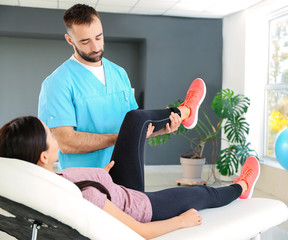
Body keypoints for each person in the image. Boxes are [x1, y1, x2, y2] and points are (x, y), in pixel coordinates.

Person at [1, 82, 260, 239]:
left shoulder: (47, 181)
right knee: (204, 194)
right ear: (44, 155)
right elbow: (139, 232)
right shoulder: (84, 196)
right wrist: (181, 221)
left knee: (135, 119)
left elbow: (84, 187)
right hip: (139, 204)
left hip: (110, 186)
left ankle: (185, 112)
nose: (55, 135)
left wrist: (100, 175)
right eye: (50, 134)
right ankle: (243, 188)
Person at [38, 3, 182, 170]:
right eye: (85, 41)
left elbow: (135, 127)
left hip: (127, 172)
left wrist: (160, 130)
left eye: (99, 37)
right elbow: (66, 143)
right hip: (85, 182)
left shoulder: (119, 73)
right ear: (70, 40)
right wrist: (119, 138)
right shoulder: (57, 83)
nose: (96, 47)